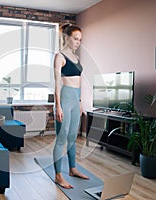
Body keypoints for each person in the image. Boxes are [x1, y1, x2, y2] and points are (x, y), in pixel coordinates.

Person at [53, 23, 89, 189]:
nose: (78, 42)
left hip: (75, 99)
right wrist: (58, 106)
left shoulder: (77, 58)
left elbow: (80, 82)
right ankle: (58, 175)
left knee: (73, 138)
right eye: (75, 38)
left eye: (80, 39)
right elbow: (56, 84)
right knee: (61, 138)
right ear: (66, 37)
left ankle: (72, 169)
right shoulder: (59, 56)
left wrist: (80, 102)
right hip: (65, 98)